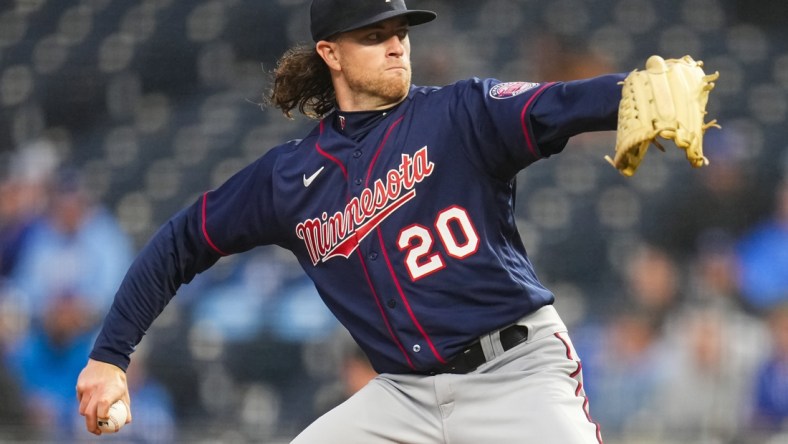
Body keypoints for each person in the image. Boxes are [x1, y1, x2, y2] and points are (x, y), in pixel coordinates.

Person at [77, 1, 638, 442]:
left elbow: (553, 104)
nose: (395, 45)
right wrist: (109, 355)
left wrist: (629, 95)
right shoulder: (289, 178)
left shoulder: (460, 112)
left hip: (515, 374)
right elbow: (182, 240)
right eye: (374, 35)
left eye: (401, 32)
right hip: (405, 397)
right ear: (331, 53)